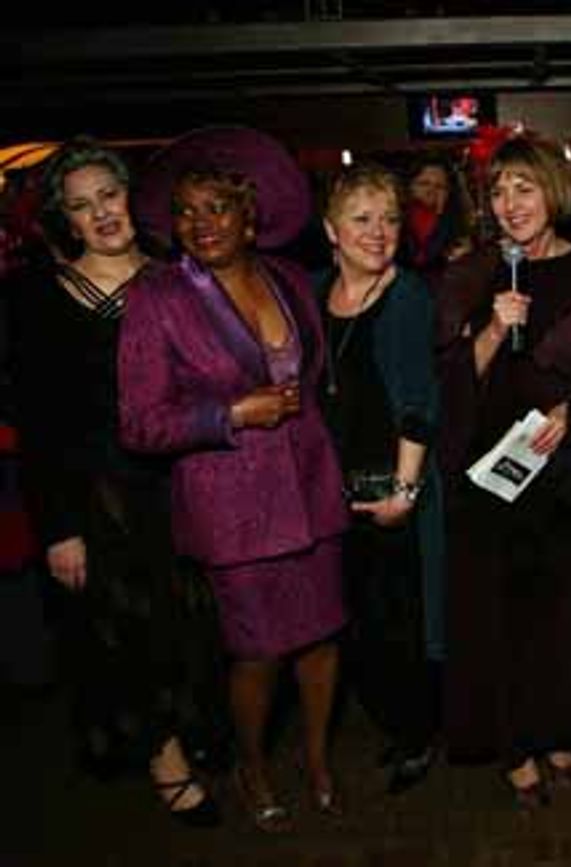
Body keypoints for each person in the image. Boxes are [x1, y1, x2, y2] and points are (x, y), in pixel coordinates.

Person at [118, 127, 349, 832]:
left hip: (310, 487)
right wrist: (230, 413)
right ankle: (252, 763)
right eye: (186, 212)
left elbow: (311, 377)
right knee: (258, 651)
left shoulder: (286, 278)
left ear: (250, 218)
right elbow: (141, 423)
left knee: (322, 637)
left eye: (217, 207)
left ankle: (316, 757)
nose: (200, 223)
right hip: (232, 508)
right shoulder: (158, 298)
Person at [10, 138, 221, 825]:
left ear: (129, 197)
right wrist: (59, 525)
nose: (100, 213)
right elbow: (41, 425)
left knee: (191, 621)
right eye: (81, 205)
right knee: (128, 630)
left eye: (108, 195)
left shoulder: (180, 277)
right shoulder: (40, 298)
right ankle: (166, 762)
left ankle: (190, 731)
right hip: (100, 494)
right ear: (65, 221)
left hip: (183, 480)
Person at [435, 132, 571, 806]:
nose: (510, 204)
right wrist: (489, 331)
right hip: (488, 470)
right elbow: (446, 384)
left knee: (564, 608)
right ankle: (513, 745)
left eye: (523, 188)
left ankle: (561, 730)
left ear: (552, 193)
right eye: (499, 192)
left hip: (558, 466)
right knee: (498, 613)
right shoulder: (470, 273)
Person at [315, 162, 440, 794]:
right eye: (362, 219)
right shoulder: (312, 294)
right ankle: (392, 722)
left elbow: (419, 401)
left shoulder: (407, 296)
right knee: (355, 620)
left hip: (392, 486)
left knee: (402, 619)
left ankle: (415, 733)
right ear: (330, 230)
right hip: (330, 494)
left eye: (390, 219)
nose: (378, 232)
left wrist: (405, 491)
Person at [402, 152, 475, 275]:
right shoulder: (397, 220)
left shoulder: (455, 223)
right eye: (424, 184)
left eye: (440, 186)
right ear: (410, 186)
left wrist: (440, 217)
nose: (431, 191)